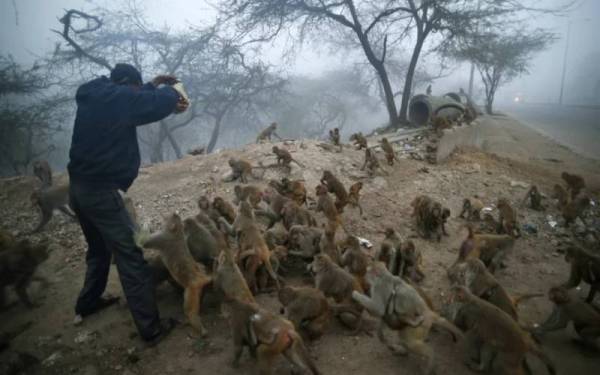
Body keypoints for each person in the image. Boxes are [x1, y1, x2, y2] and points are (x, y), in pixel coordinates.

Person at [67, 63, 189, 346]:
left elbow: (131, 98)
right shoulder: (117, 100)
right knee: (130, 255)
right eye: (137, 88)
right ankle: (151, 329)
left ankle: (88, 303)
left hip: (78, 188)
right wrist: (173, 92)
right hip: (100, 192)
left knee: (98, 248)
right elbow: (155, 104)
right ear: (126, 86)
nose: (136, 93)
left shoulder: (99, 94)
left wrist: (152, 84)